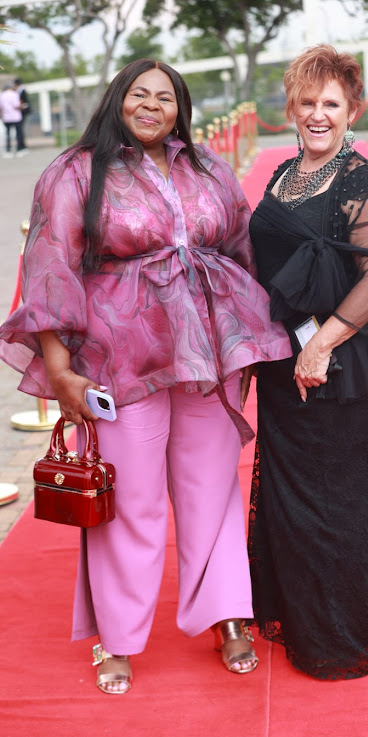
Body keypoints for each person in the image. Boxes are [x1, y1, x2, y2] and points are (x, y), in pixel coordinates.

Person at [0, 59, 292, 693]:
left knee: (210, 488)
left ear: (180, 106)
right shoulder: (76, 172)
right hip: (117, 356)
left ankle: (225, 614)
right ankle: (118, 633)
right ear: (119, 100)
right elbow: (50, 267)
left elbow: (242, 249)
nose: (153, 106)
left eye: (166, 97)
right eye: (141, 95)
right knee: (127, 499)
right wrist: (58, 367)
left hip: (209, 354)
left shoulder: (207, 166)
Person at [247, 44, 368, 680]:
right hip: (284, 360)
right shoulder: (283, 175)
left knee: (337, 493)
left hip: (341, 362)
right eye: (308, 102)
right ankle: (298, 614)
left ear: (352, 112)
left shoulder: (363, 181)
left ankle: (339, 635)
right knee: (289, 488)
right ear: (291, 108)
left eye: (331, 104)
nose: (318, 114)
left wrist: (323, 344)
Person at [0, 81, 26, 157]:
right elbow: (16, 105)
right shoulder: (14, 94)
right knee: (18, 133)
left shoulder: (2, 95)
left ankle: (8, 150)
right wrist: (22, 107)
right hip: (16, 117)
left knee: (7, 134)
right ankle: (19, 149)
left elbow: (1, 107)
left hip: (6, 117)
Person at [14, 77, 30, 154]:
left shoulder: (22, 90)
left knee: (20, 129)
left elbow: (25, 102)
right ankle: (22, 145)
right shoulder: (20, 90)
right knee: (20, 129)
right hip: (21, 112)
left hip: (23, 112)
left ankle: (22, 146)